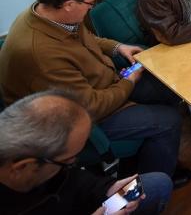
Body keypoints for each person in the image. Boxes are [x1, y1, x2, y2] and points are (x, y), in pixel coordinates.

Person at [0, 0, 189, 183]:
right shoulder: (40, 54)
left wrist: (118, 47)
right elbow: (90, 108)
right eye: (91, 4)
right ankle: (149, 180)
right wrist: (128, 82)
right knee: (169, 120)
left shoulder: (50, 12)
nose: (92, 7)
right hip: (81, 120)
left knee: (165, 86)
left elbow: (83, 39)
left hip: (103, 84)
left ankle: (149, 151)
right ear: (70, 4)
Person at [0, 90, 173, 215]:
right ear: (22, 166)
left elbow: (71, 178)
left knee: (158, 184)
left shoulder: (41, 162)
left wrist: (107, 188)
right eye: (70, 159)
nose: (75, 162)